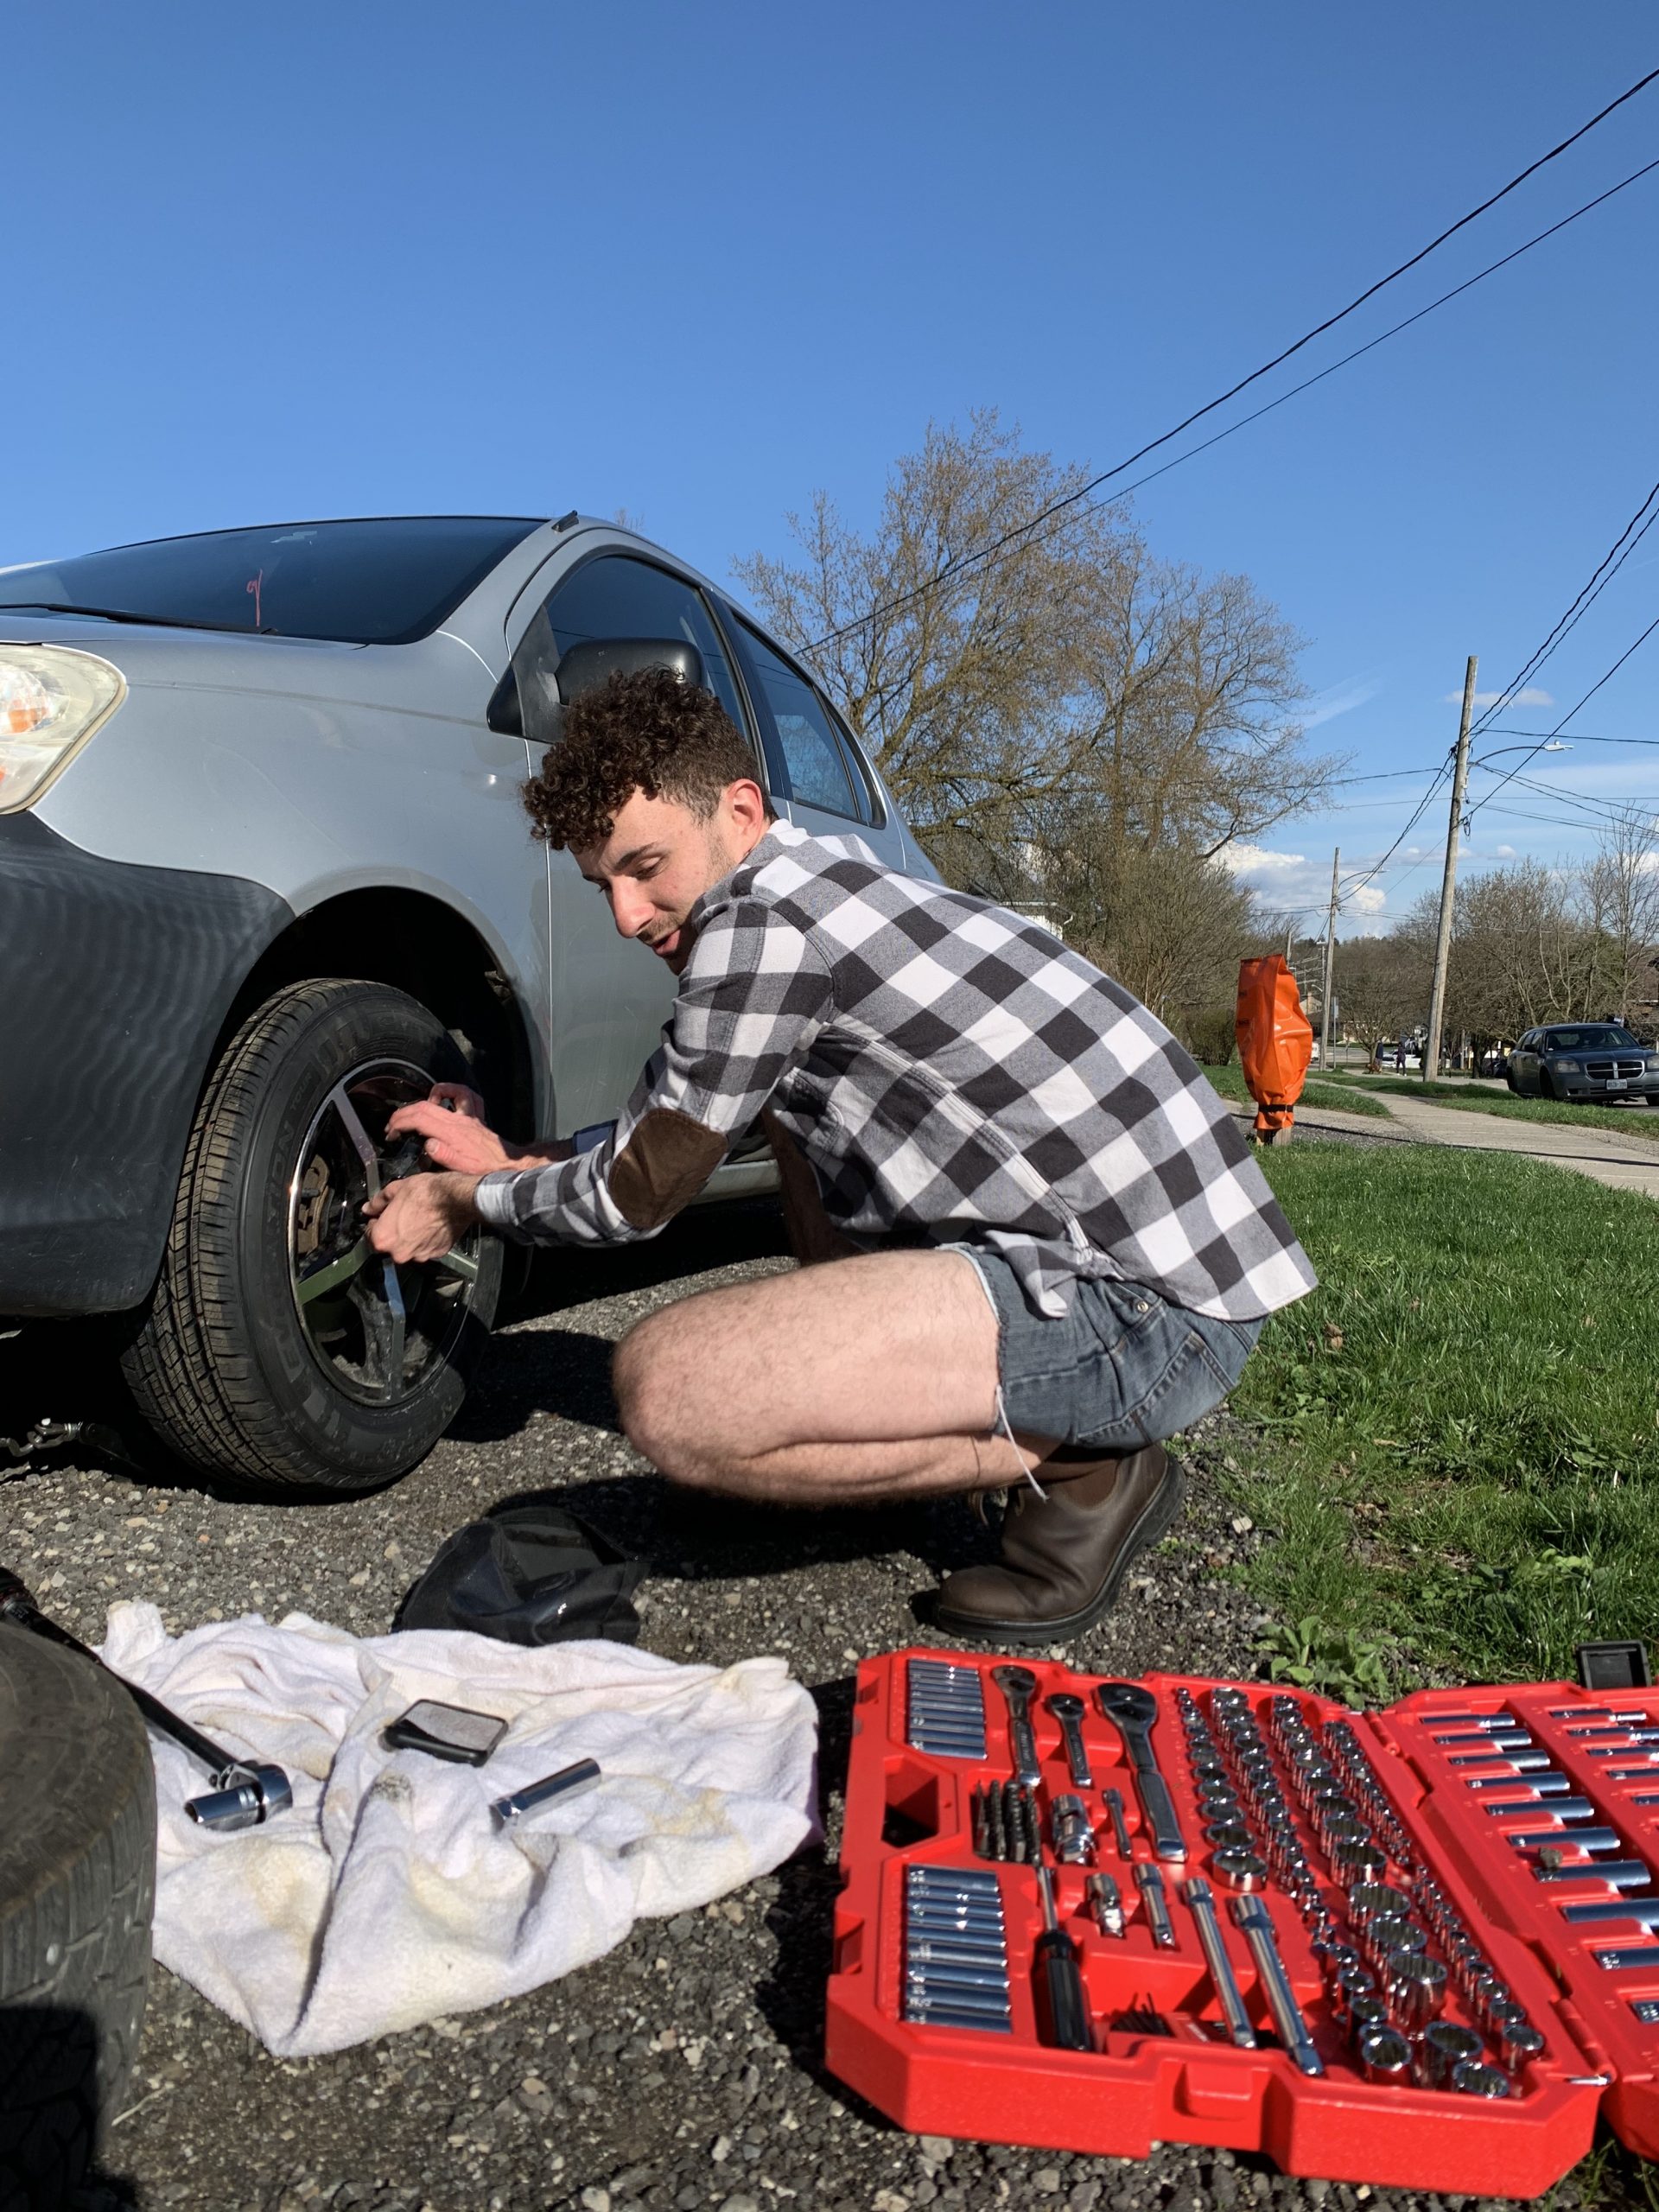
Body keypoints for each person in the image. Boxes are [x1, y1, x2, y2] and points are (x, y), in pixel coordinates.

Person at [366, 668, 1316, 1643]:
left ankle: (1091, 1467)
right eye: (601, 881)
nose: (626, 912)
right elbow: (663, 1130)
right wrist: (509, 1156)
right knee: (784, 1115)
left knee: (670, 1393)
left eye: (645, 865)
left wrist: (466, 1202)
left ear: (739, 809)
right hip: (1154, 1273)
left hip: (1148, 1313)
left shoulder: (761, 927)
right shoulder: (808, 887)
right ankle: (883, 1420)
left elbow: (637, 1195)